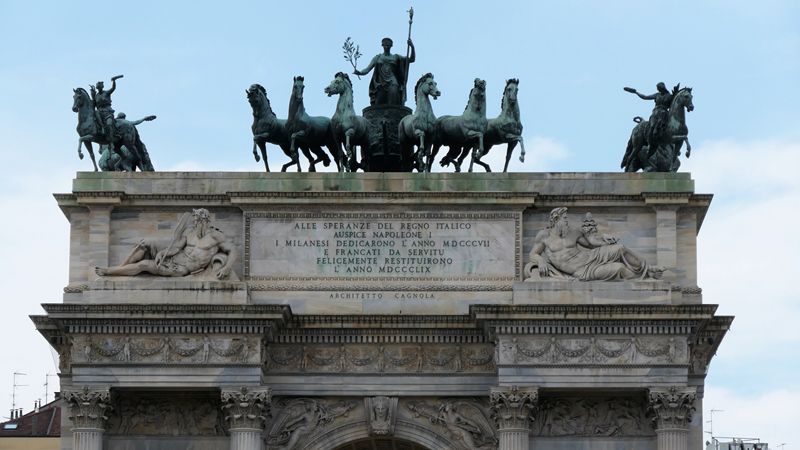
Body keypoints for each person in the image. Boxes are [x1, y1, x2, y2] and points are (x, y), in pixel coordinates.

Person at [95, 208, 237, 279]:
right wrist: (163, 253)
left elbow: (233, 251)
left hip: (183, 268)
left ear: (203, 220)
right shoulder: (190, 234)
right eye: (193, 220)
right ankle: (118, 269)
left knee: (144, 265)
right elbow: (176, 248)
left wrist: (227, 267)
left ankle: (110, 271)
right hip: (174, 259)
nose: (194, 223)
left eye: (196, 220)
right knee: (144, 245)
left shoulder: (216, 236)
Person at [527, 208, 663, 281]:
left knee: (620, 248)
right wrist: (541, 261)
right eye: (564, 219)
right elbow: (533, 253)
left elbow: (591, 243)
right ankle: (643, 278)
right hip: (582, 271)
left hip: (592, 256)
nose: (567, 221)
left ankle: (649, 270)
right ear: (556, 220)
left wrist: (605, 238)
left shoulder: (573, 232)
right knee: (618, 268)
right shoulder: (544, 235)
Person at [354, 38, 415, 106]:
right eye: (385, 45)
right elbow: (367, 69)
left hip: (393, 82)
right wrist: (360, 72)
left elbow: (411, 59)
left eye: (388, 45)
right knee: (378, 102)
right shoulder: (377, 57)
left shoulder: (396, 57)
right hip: (380, 83)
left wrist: (412, 46)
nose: (386, 47)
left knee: (394, 96)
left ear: (391, 46)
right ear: (382, 45)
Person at [624, 82, 673, 146]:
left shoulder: (670, 96)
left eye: (659, 88)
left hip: (664, 112)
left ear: (663, 87)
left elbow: (674, 105)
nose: (658, 90)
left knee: (665, 118)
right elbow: (645, 97)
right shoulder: (657, 95)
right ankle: (650, 137)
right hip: (656, 112)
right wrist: (636, 92)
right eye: (658, 88)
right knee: (652, 123)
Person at [90, 75, 123, 144]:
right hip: (99, 112)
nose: (98, 87)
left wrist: (114, 81)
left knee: (109, 124)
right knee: (95, 115)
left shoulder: (106, 92)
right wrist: (92, 95)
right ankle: (101, 129)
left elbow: (113, 88)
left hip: (107, 112)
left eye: (99, 85)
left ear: (102, 86)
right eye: (97, 86)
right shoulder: (96, 96)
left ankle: (115, 135)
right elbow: (94, 105)